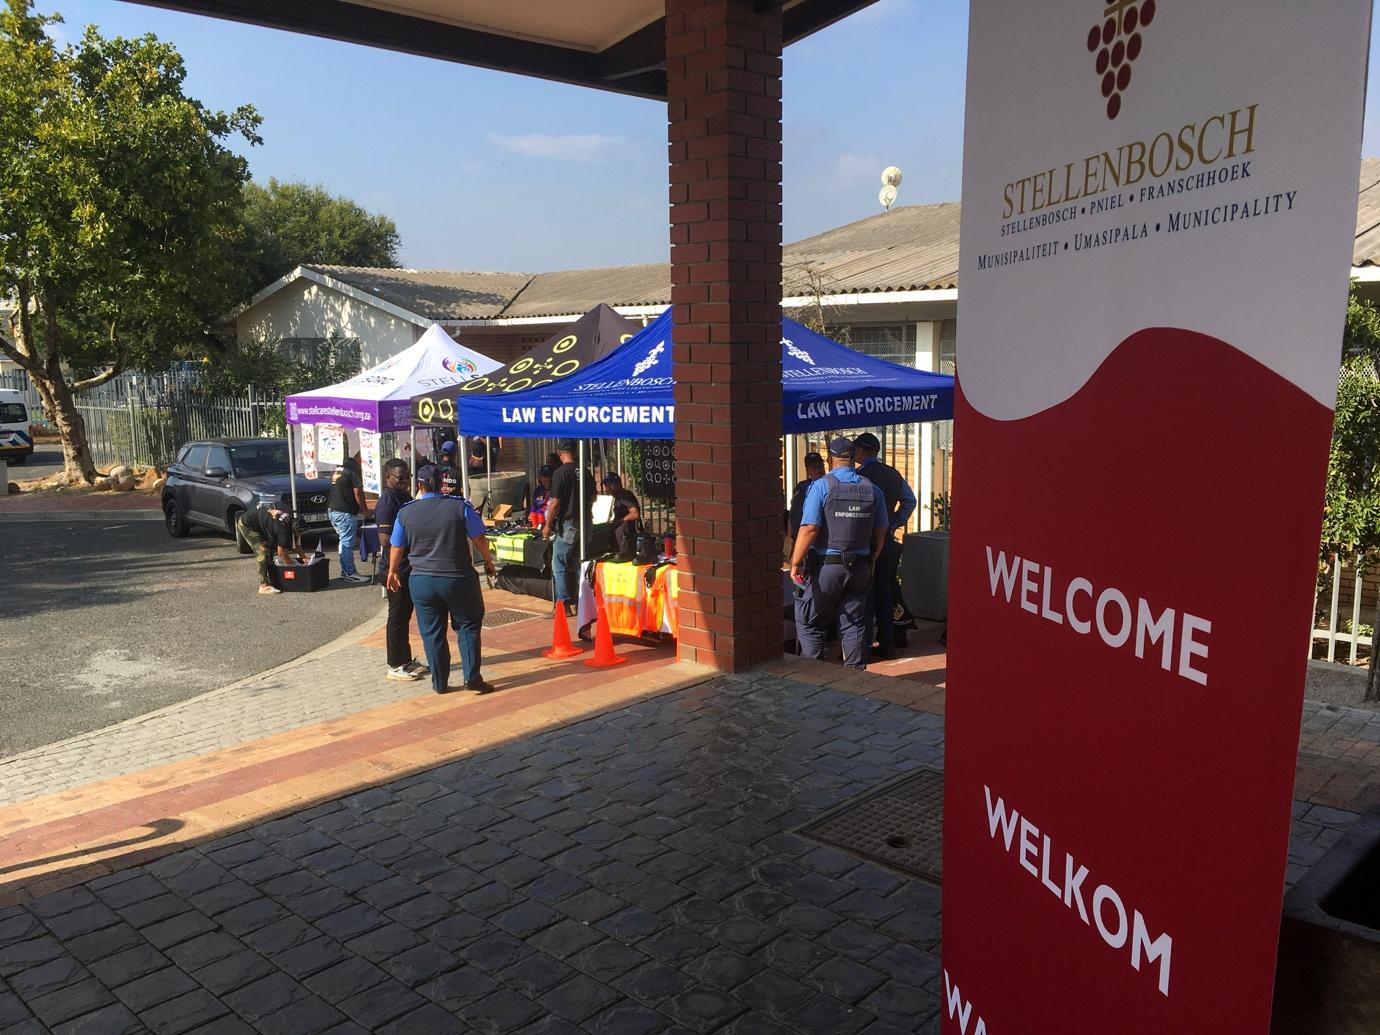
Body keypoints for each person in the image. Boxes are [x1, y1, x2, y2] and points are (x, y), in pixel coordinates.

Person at [386, 464, 498, 694]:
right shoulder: (460, 507)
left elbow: (397, 544)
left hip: (422, 581)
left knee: (432, 631)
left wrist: (392, 570)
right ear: (441, 484)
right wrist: (488, 560)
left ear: (419, 485)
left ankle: (439, 682)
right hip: (458, 578)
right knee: (468, 625)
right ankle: (472, 678)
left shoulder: (406, 512)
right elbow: (478, 537)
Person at [789, 437, 887, 670]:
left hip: (827, 567)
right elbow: (881, 532)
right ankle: (855, 677)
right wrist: (872, 560)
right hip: (861, 566)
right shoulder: (873, 489)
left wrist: (795, 561)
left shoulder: (822, 486)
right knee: (853, 624)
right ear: (854, 458)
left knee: (808, 620)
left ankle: (813, 676)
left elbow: (810, 528)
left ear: (830, 458)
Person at [853, 432, 918, 659]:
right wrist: (893, 524)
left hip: (866, 542)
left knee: (866, 593)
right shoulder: (892, 473)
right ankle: (887, 643)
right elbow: (911, 501)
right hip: (888, 542)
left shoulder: (859, 476)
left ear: (863, 451)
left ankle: (865, 646)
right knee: (885, 591)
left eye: (856, 449)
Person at [374, 458, 429, 682]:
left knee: (405, 616)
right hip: (394, 570)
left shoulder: (404, 496)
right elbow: (385, 540)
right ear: (388, 477)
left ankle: (406, 660)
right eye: (400, 477)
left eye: (408, 476)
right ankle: (395, 665)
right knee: (396, 617)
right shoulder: (387, 501)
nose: (406, 481)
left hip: (409, 566)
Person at [543, 439, 595, 610]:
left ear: (559, 453)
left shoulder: (560, 473)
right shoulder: (586, 472)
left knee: (558, 563)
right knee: (581, 562)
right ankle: (583, 603)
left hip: (569, 523)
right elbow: (594, 496)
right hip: (586, 521)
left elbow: (555, 502)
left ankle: (563, 603)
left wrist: (547, 524)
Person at [327, 449, 371, 584]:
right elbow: (358, 493)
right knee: (347, 543)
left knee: (343, 541)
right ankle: (351, 573)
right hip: (345, 512)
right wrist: (365, 511)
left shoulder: (340, 469)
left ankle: (345, 570)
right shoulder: (354, 471)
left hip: (333, 510)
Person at [237, 504, 294, 595]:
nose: (300, 536)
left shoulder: (289, 521)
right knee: (262, 552)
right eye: (299, 534)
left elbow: (297, 545)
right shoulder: (283, 529)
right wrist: (293, 567)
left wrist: (303, 557)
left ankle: (272, 578)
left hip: (262, 525)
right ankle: (263, 586)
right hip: (247, 524)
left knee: (269, 549)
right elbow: (281, 553)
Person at [601, 472, 643, 557]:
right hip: (621, 545)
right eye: (606, 485)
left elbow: (635, 514)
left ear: (618, 484)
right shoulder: (618, 498)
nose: (607, 488)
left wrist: (618, 522)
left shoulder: (625, 496)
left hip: (628, 544)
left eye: (609, 485)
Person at [788, 451, 826, 537]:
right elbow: (792, 514)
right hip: (800, 535)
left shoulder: (830, 484)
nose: (818, 470)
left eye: (820, 466)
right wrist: (789, 538)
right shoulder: (801, 487)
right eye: (814, 467)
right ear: (807, 470)